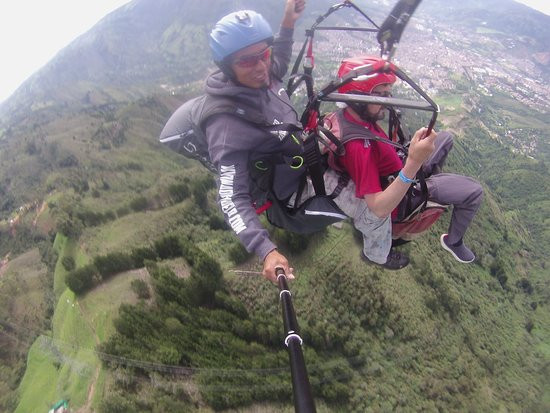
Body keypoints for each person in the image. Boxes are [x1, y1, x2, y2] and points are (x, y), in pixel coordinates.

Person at [321, 55, 484, 270]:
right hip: (401, 194)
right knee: (474, 192)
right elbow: (378, 208)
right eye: (380, 95)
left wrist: (412, 161)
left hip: (400, 168)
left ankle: (430, 181)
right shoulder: (359, 146)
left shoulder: (351, 117)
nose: (386, 101)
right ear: (358, 98)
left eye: (388, 94)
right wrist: (414, 163)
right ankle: (452, 241)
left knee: (445, 138)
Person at [205, 0, 306, 283]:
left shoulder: (260, 75)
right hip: (288, 193)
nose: (261, 66)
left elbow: (280, 61)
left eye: (264, 54)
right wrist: (266, 250)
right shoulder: (226, 124)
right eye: (247, 61)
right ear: (227, 68)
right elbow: (230, 198)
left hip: (300, 159)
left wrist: (288, 22)